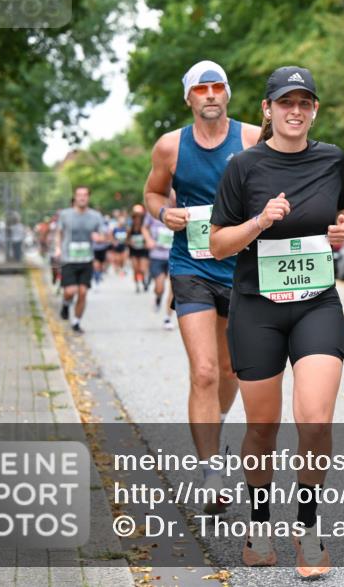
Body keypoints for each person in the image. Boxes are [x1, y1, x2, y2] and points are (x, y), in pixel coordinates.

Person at [209, 66, 344, 577]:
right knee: (263, 427)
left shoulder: (333, 159)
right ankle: (258, 520)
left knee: (315, 418)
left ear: (314, 109)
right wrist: (258, 222)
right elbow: (217, 243)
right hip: (257, 308)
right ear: (267, 110)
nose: (295, 111)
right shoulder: (243, 167)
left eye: (305, 102)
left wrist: (342, 230)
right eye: (285, 102)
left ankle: (310, 527)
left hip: (317, 301)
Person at [143, 59, 260, 510]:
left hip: (241, 268)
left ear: (227, 93)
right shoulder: (171, 147)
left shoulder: (252, 138)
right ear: (188, 97)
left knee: (230, 371)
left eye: (217, 87)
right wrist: (161, 212)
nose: (210, 94)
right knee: (205, 371)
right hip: (191, 265)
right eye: (200, 89)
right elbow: (152, 193)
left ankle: (219, 426)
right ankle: (212, 471)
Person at [55, 186, 106, 333]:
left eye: (85, 195)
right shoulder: (65, 214)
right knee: (71, 291)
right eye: (79, 195)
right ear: (75, 197)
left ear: (88, 197)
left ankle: (76, 321)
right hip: (68, 259)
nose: (82, 198)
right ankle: (65, 304)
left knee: (83, 292)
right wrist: (58, 248)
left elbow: (104, 235)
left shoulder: (96, 216)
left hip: (86, 259)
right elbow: (59, 233)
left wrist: (99, 238)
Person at [145, 208, 175, 330]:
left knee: (173, 289)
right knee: (159, 287)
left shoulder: (180, 205)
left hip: (174, 255)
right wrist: (148, 240)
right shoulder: (154, 208)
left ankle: (167, 318)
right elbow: (144, 227)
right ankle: (158, 298)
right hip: (157, 255)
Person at [127, 204, 151, 293]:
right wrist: (130, 242)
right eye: (135, 217)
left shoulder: (144, 228)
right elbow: (126, 240)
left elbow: (149, 238)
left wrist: (146, 242)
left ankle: (144, 280)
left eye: (139, 217)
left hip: (143, 251)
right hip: (134, 251)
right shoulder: (131, 229)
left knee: (142, 269)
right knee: (135, 269)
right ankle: (137, 285)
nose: (137, 219)